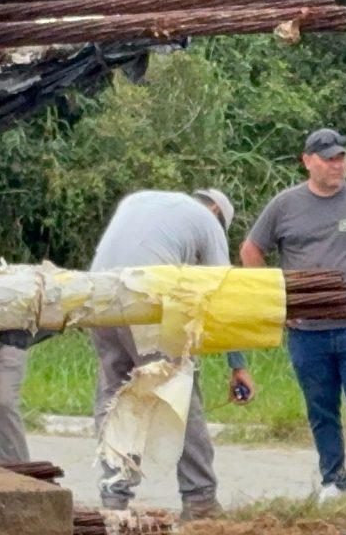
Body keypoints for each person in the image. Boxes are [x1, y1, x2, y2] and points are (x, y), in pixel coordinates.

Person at [240, 128, 346, 514]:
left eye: (342, 158)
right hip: (306, 331)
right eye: (329, 158)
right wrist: (273, 301)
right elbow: (252, 249)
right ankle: (333, 480)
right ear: (308, 161)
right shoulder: (285, 206)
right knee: (321, 408)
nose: (338, 165)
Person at [89, 189, 256, 520]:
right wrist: (238, 365)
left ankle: (114, 499)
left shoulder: (139, 201)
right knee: (177, 395)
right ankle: (201, 499)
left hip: (97, 298)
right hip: (148, 301)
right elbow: (222, 299)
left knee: (116, 399)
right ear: (216, 212)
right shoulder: (208, 222)